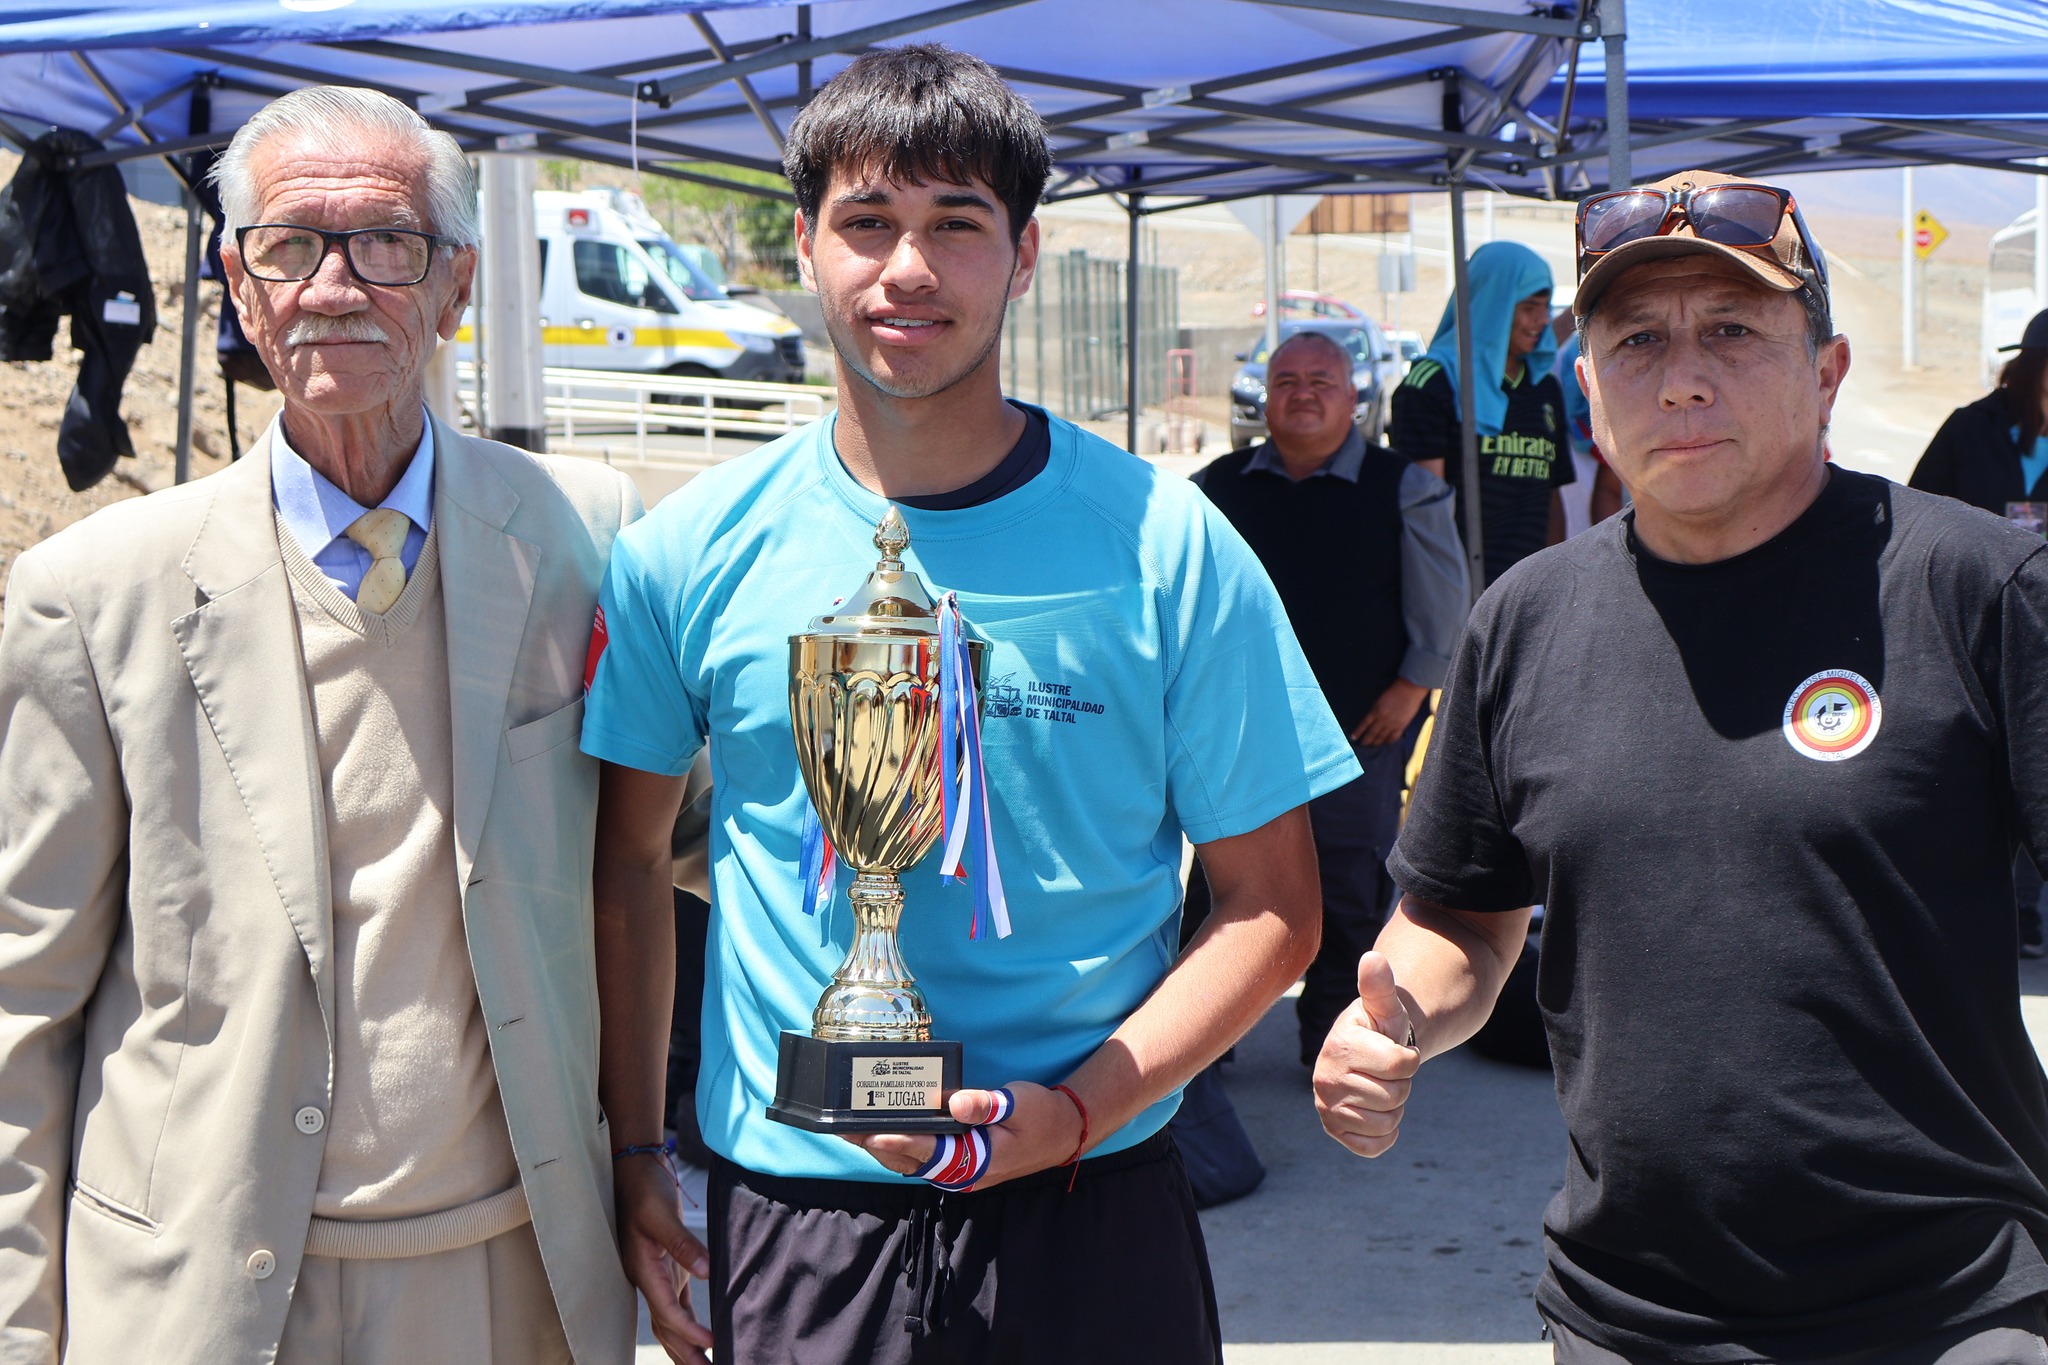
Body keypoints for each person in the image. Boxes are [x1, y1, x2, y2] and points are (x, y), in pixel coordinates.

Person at [582, 45, 1355, 1365]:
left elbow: (1273, 911)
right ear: (805, 247)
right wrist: (637, 1148)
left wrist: (1076, 1110)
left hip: (1089, 1192)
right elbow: (630, 862)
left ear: (1026, 251)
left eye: (956, 223)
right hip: (803, 1208)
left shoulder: (1169, 543)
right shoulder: (685, 552)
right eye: (868, 222)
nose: (908, 268)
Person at [1315, 167, 2048, 1362]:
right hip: (1626, 1314)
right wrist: (1390, 1018)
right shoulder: (1524, 620)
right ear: (1588, 386)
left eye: (1731, 331)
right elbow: (1462, 913)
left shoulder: (1973, 586)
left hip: (1942, 1306)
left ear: (1826, 370)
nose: (1682, 375)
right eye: (1636, 339)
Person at [0, 87, 641, 1364]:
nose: (335, 286)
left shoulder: (589, 539)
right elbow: (25, 1002)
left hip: (506, 1278)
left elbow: (668, 848)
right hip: (194, 1290)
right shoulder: (93, 592)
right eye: (293, 245)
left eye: (386, 245)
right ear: (239, 286)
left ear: (456, 284)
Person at [1190, 330, 1468, 1065]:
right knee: (1218, 895)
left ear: (1353, 398)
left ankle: (1331, 1043)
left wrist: (1413, 688)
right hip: (1238, 736)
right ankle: (1204, 1045)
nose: (1303, 393)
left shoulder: (1403, 485)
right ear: (1264, 396)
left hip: (1360, 731)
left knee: (1345, 891)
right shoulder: (1216, 488)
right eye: (1286, 380)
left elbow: (1444, 602)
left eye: (1322, 380)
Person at [1911, 309, 2048, 959]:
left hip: (2042, 630)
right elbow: (1918, 506)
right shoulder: (1972, 428)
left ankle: (2023, 908)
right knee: (1972, 766)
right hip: (1969, 619)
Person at [1391, 239, 1574, 587]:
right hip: (1458, 590)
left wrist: (1558, 582)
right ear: (1495, 303)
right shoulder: (1432, 383)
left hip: (1531, 590)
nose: (1541, 320)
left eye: (1546, 306)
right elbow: (1423, 512)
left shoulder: (1543, 388)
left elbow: (1552, 498)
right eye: (1529, 307)